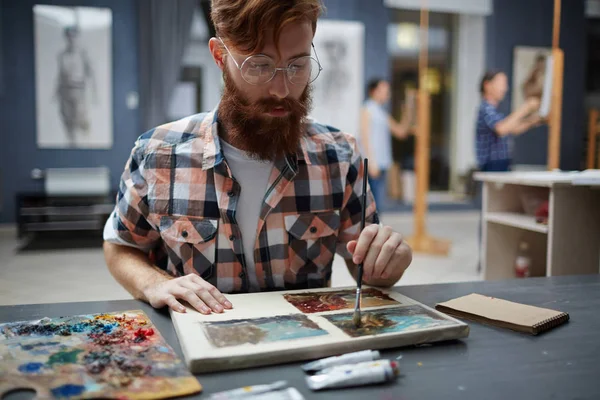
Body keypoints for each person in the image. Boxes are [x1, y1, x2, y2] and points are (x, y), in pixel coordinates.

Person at [103, 0, 412, 315]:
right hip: (196, 353)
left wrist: (388, 262)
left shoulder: (338, 157)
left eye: (298, 65)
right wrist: (155, 282)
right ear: (219, 56)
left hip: (305, 350)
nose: (282, 89)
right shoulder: (159, 153)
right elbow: (120, 247)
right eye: (260, 65)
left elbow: (368, 272)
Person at [360, 79, 413, 209]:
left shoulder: (382, 112)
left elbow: (400, 132)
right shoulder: (367, 109)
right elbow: (365, 137)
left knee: (377, 204)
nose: (387, 93)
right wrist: (371, 162)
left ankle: (375, 227)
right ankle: (372, 228)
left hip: (382, 163)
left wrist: (408, 110)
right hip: (373, 163)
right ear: (374, 91)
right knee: (372, 205)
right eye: (384, 90)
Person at [476, 70, 542, 172]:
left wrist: (536, 120)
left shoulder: (495, 111)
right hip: (492, 165)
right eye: (501, 84)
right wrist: (526, 107)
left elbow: (514, 128)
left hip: (501, 163)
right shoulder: (486, 109)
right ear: (487, 85)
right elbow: (502, 129)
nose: (505, 88)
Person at [53, 26, 96, 147]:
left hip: (79, 90)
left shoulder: (83, 54)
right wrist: (55, 93)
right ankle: (72, 146)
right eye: (69, 36)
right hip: (65, 91)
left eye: (74, 36)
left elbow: (91, 74)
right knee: (67, 121)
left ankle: (85, 146)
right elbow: (60, 76)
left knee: (81, 121)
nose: (71, 39)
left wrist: (94, 93)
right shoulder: (62, 55)